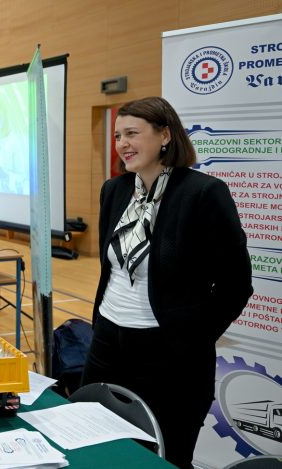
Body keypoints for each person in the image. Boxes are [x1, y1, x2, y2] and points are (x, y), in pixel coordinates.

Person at [81, 96, 252, 469]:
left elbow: (236, 284)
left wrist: (193, 337)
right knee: (96, 444)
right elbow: (112, 269)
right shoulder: (115, 190)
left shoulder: (202, 193)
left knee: (165, 455)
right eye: (117, 136)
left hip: (167, 353)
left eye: (132, 133)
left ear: (164, 135)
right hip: (107, 341)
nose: (122, 143)